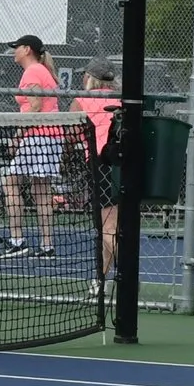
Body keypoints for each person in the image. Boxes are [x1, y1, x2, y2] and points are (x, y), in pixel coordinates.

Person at [2, 34, 63, 255]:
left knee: (10, 182)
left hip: (39, 136)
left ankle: (17, 241)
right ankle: (47, 246)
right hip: (49, 137)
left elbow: (35, 106)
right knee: (41, 191)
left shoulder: (33, 71)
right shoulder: (40, 71)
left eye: (17, 47)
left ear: (27, 49)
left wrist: (18, 136)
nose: (14, 51)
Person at [76, 62, 122, 277]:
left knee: (108, 226)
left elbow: (71, 134)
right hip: (124, 163)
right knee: (111, 224)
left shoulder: (81, 101)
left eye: (84, 75)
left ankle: (129, 277)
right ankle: (100, 281)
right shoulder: (122, 100)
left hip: (100, 164)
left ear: (90, 78)